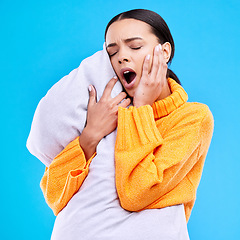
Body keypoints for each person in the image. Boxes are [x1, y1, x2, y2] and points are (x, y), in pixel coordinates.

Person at [38, 9, 214, 239]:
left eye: (135, 46)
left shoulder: (193, 117)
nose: (121, 57)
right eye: (112, 52)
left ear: (165, 51)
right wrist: (91, 135)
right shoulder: (108, 112)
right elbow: (54, 194)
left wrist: (142, 106)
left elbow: (136, 193)